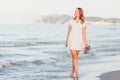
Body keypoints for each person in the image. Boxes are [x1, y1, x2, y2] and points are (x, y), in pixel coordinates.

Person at [65, 7, 89, 78]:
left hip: (79, 41)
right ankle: (77, 74)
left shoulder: (83, 23)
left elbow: (84, 34)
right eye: (75, 11)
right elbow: (68, 32)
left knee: (74, 58)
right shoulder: (71, 22)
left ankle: (72, 71)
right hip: (71, 41)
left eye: (77, 12)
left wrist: (85, 43)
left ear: (80, 13)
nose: (75, 13)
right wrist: (66, 41)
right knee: (75, 57)